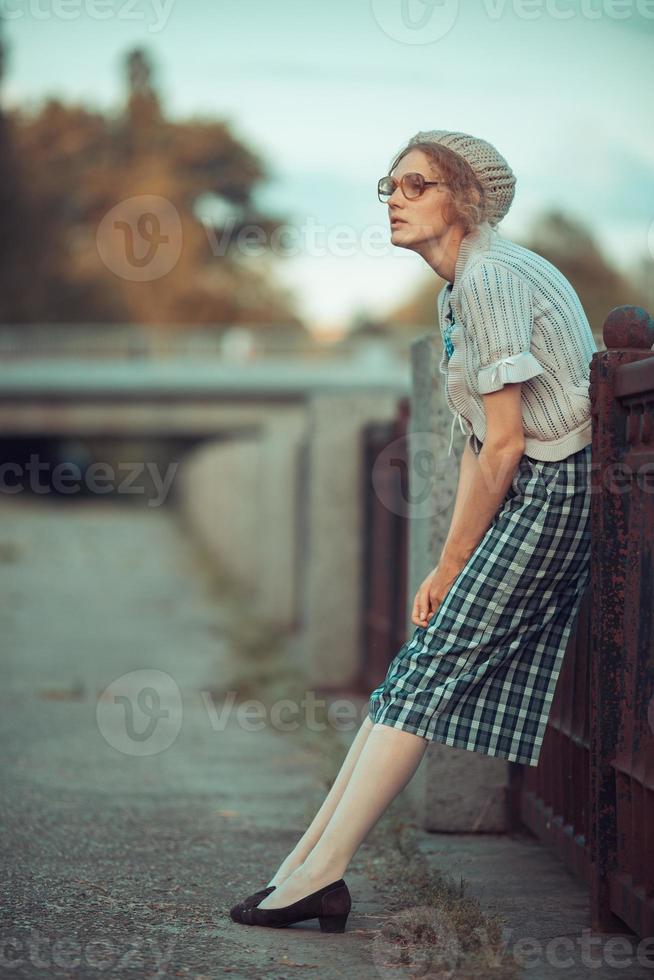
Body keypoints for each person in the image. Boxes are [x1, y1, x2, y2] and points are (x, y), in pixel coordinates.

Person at [230, 130, 597, 932]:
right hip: (537, 485)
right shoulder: (460, 285)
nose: (394, 199)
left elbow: (507, 445)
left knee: (423, 676)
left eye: (415, 184)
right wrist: (444, 562)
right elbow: (480, 442)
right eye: (388, 186)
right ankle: (306, 866)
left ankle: (319, 873)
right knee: (415, 671)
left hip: (561, 488)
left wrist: (458, 557)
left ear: (463, 198)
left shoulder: (492, 277)